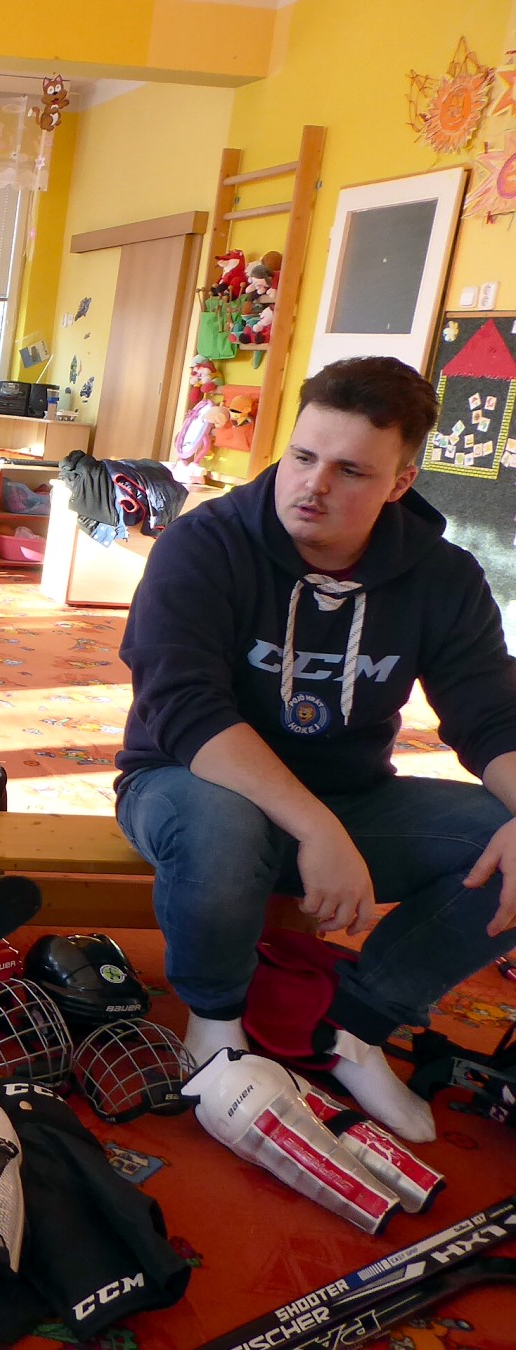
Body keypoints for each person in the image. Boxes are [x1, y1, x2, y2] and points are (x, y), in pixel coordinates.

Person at [116, 355, 516, 1143]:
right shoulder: (205, 544)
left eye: (350, 471)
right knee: (224, 824)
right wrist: (315, 828)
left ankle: (353, 1028)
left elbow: (491, 715)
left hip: (352, 797)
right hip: (187, 784)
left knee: (503, 840)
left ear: (400, 484)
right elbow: (184, 710)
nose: (312, 485)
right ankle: (215, 1020)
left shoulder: (442, 576)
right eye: (302, 456)